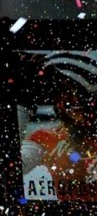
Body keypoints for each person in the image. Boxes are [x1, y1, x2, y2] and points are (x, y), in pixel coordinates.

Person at [20, 51, 97, 202]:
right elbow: (6, 169)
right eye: (64, 92)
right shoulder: (45, 139)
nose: (73, 100)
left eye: (80, 93)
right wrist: (23, 104)